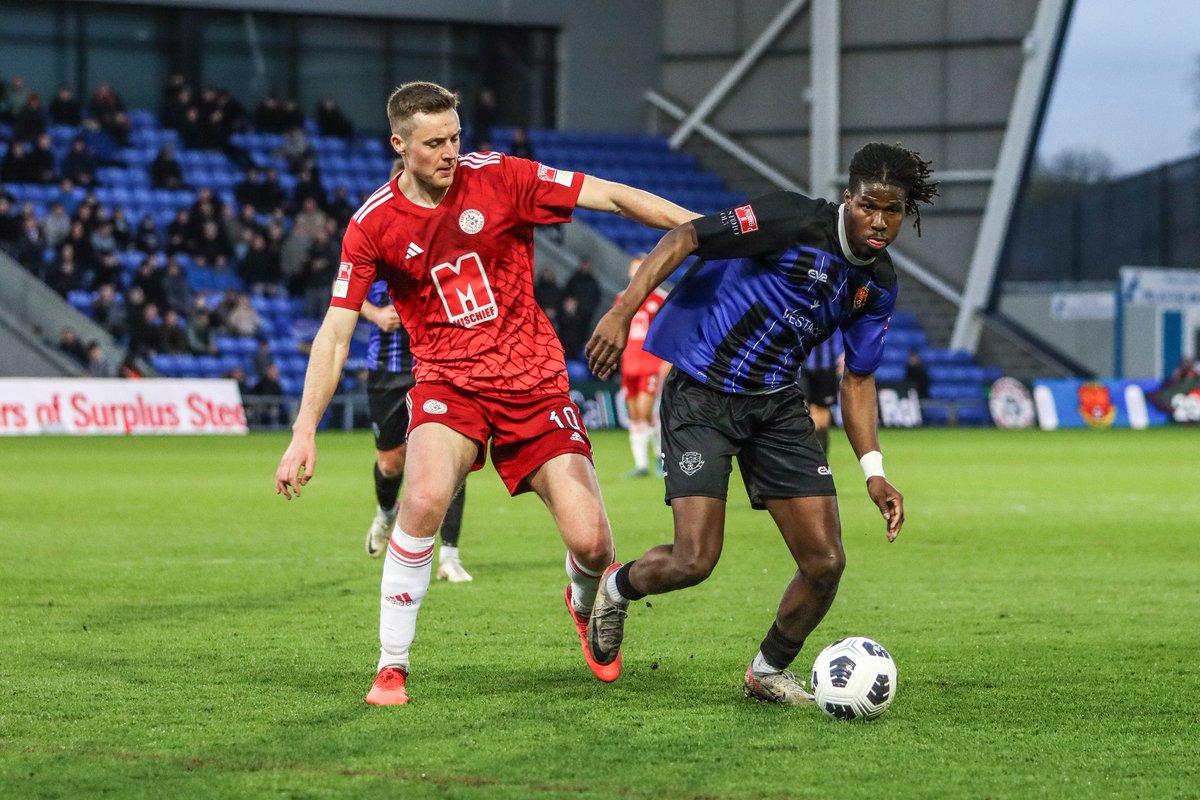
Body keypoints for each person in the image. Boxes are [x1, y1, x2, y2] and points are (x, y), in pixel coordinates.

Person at [273, 80, 695, 706]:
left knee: (593, 543)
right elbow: (335, 335)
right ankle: (392, 665)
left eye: (456, 137)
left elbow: (607, 194)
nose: (450, 152)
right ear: (399, 144)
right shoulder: (373, 225)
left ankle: (584, 604)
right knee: (421, 499)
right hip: (449, 383)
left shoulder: (502, 176)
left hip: (533, 379)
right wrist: (303, 430)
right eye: (435, 143)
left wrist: (700, 228)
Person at [584, 142, 938, 706]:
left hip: (775, 407)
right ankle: (615, 585)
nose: (879, 221)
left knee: (825, 563)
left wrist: (874, 471)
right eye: (869, 205)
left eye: (892, 210)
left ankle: (767, 670)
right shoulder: (793, 219)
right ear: (848, 199)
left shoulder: (878, 284)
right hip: (701, 392)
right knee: (693, 560)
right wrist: (622, 311)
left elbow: (859, 380)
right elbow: (688, 236)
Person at [360, 278, 471, 583]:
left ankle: (450, 555)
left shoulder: (440, 241)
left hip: (437, 365)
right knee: (390, 463)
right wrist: (376, 314)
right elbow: (341, 286)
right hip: (387, 369)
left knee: (451, 453)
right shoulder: (375, 240)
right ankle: (385, 513)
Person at [802, 329, 844, 455]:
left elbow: (850, 324)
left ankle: (819, 455)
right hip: (800, 366)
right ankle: (808, 453)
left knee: (821, 411)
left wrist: (846, 352)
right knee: (799, 407)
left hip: (828, 367)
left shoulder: (836, 310)